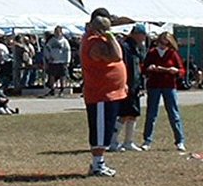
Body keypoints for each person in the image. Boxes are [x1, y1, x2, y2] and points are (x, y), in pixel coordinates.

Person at [80, 11, 127, 177]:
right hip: (101, 94)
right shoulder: (93, 42)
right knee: (100, 132)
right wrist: (110, 35)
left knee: (106, 130)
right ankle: (97, 165)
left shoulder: (100, 39)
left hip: (111, 93)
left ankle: (99, 164)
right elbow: (117, 56)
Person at [141, 32, 187, 152]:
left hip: (169, 85)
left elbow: (182, 70)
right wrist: (149, 68)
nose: (163, 45)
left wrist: (176, 71)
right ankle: (147, 141)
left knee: (174, 113)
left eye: (166, 43)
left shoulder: (172, 53)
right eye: (161, 42)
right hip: (154, 85)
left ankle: (180, 141)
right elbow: (144, 69)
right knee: (151, 114)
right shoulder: (152, 53)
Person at [110, 24, 147, 152]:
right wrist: (124, 83)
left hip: (135, 85)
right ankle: (112, 141)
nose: (144, 38)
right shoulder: (126, 47)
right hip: (127, 85)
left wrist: (140, 85)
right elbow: (124, 66)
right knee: (124, 114)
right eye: (142, 35)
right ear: (136, 34)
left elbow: (139, 66)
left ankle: (128, 142)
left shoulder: (137, 48)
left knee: (133, 114)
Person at [44, 26, 72, 97]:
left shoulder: (64, 41)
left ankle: (62, 90)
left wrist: (67, 61)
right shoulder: (51, 41)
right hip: (53, 62)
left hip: (62, 62)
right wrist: (48, 57)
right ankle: (52, 90)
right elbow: (47, 49)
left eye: (58, 32)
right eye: (55, 32)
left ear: (61, 32)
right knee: (52, 76)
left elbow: (68, 51)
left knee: (62, 76)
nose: (57, 33)